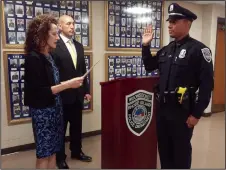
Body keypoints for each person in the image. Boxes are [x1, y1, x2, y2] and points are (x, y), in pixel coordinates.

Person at [142, 3, 214, 169]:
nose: (170, 24)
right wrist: (145, 46)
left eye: (174, 21)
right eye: (170, 21)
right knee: (165, 153)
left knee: (181, 154)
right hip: (163, 110)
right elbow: (149, 65)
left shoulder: (199, 50)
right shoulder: (166, 50)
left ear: (187, 23)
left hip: (182, 113)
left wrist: (196, 115)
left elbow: (206, 85)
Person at [24, 14, 84, 169]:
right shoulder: (33, 58)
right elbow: (40, 91)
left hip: (55, 110)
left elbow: (53, 83)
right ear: (42, 35)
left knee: (52, 153)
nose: (58, 37)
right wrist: (68, 85)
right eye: (54, 34)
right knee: (44, 155)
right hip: (43, 113)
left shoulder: (48, 56)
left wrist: (71, 84)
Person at [51, 15, 92, 169]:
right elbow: (53, 73)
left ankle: (76, 151)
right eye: (68, 24)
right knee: (61, 128)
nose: (72, 26)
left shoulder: (79, 46)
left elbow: (82, 72)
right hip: (62, 95)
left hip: (78, 95)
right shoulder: (55, 45)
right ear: (59, 27)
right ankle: (60, 157)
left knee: (77, 125)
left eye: (73, 23)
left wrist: (86, 90)